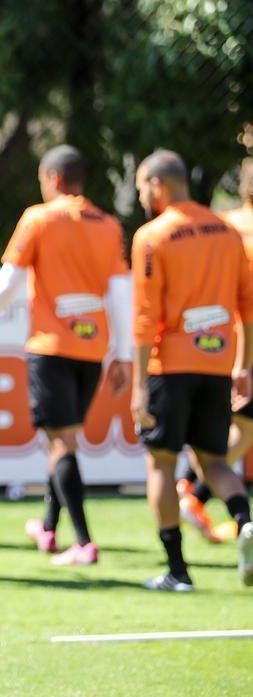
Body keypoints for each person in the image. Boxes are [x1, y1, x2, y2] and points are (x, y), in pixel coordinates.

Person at [0, 145, 131, 565]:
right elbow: (120, 294)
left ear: (51, 178)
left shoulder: (39, 218)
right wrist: (121, 353)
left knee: (62, 443)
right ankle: (48, 528)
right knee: (63, 441)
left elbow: (11, 277)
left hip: (50, 348)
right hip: (93, 349)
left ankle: (83, 543)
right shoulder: (108, 224)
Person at [131, 149, 253, 591]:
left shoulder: (152, 235)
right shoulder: (226, 229)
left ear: (158, 186)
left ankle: (177, 570)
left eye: (143, 186)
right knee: (215, 461)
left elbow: (145, 319)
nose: (142, 195)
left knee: (162, 463)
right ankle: (245, 521)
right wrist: (243, 365)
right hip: (218, 363)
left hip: (171, 365)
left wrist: (140, 386)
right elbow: (246, 306)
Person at [177, 157, 253, 542]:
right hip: (243, 345)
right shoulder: (227, 228)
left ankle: (194, 492)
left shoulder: (223, 226)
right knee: (235, 432)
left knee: (237, 429)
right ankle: (194, 493)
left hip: (220, 343)